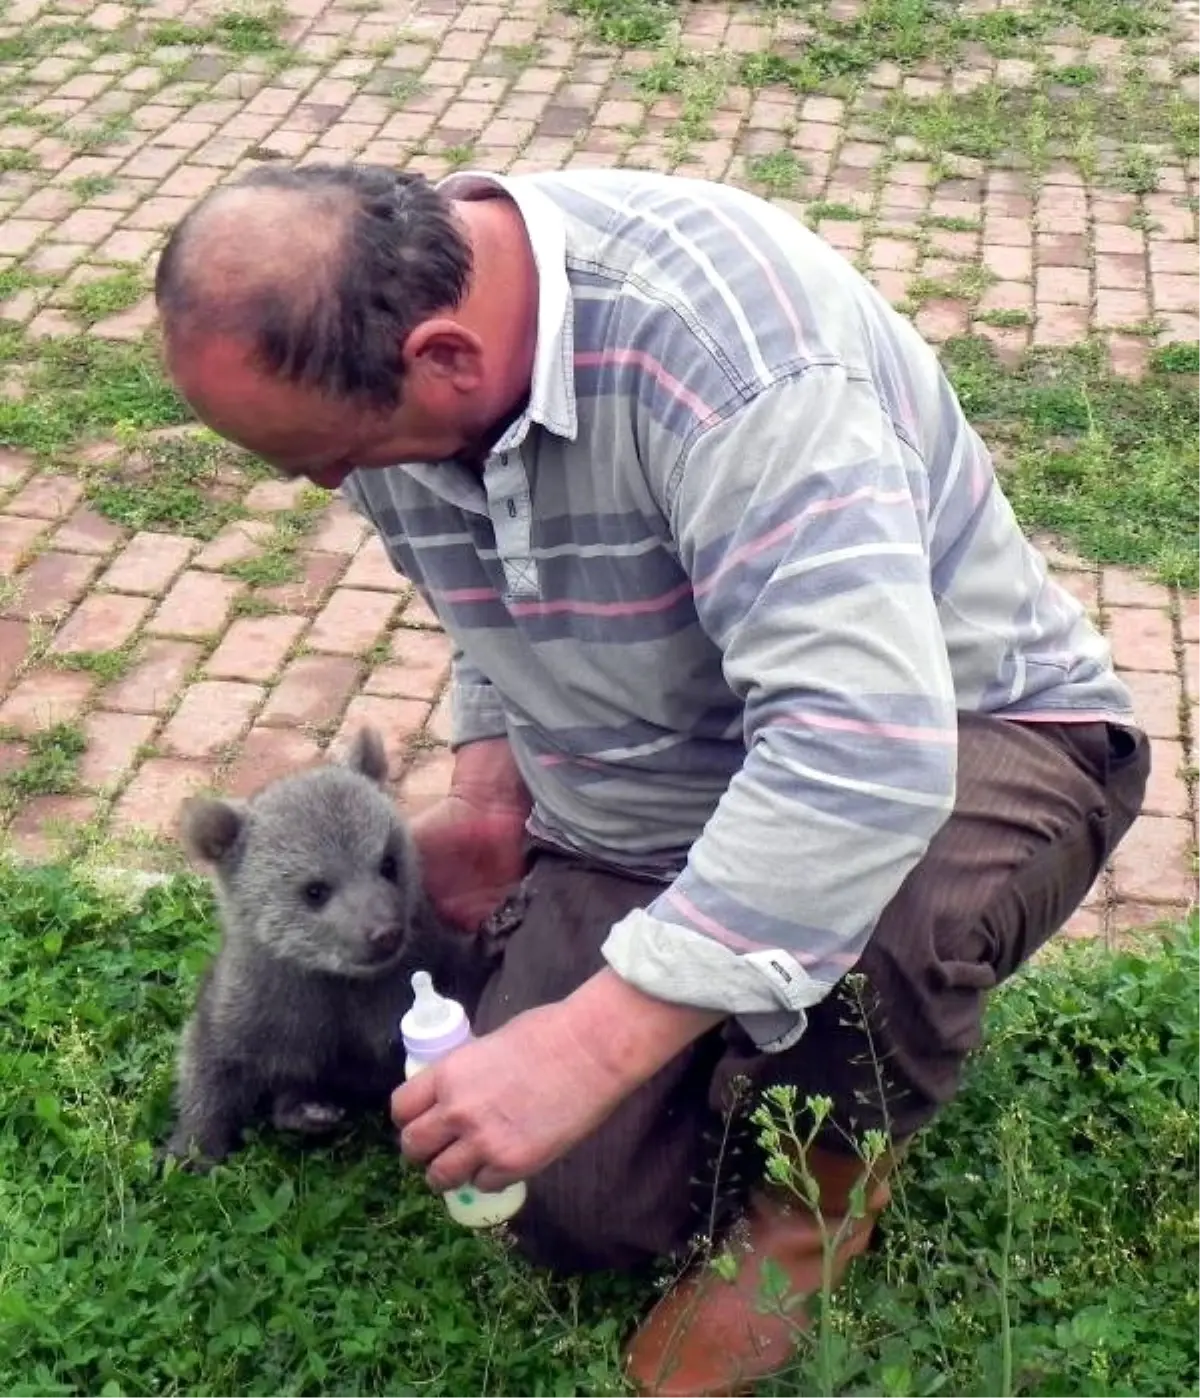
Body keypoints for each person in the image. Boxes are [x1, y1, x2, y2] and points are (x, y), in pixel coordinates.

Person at [153, 161, 1149, 1397]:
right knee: (562, 1204)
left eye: (332, 456)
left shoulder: (743, 373)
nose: (324, 485)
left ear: (445, 358)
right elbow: (486, 591)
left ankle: (820, 1193)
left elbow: (861, 756)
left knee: (884, 904)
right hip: (662, 778)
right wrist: (492, 796)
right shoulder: (405, 377)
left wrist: (594, 1042)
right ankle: (745, 994)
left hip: (960, 729)